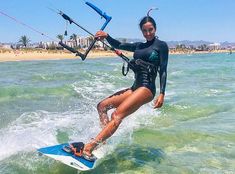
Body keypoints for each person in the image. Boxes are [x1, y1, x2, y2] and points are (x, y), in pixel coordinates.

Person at [69, 14, 169, 161]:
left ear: (155, 28)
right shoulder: (139, 46)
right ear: (141, 31)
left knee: (116, 115)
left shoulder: (161, 46)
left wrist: (162, 94)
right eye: (144, 31)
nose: (148, 33)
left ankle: (90, 147)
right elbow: (118, 45)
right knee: (102, 106)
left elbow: (164, 70)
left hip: (147, 89)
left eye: (150, 30)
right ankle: (102, 139)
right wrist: (106, 36)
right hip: (136, 87)